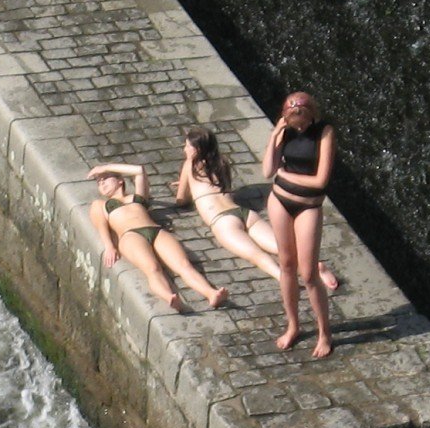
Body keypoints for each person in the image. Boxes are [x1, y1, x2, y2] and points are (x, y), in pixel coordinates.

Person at [177, 127, 342, 292]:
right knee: (282, 248)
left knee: (256, 255)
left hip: (222, 220)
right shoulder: (222, 163)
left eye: (187, 146)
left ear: (196, 150)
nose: (184, 149)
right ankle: (316, 267)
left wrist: (187, 187)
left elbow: (181, 199)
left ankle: (282, 277)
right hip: (244, 213)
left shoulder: (189, 165)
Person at [88, 162, 228, 311]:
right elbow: (101, 226)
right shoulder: (100, 205)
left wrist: (105, 168)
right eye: (99, 182)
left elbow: (139, 170)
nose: (101, 183)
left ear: (120, 180)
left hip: (156, 231)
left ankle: (211, 293)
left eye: (106, 178)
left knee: (184, 265)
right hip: (130, 235)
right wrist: (109, 246)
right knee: (152, 268)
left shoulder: (138, 197)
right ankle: (170, 297)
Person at [264, 92, 337, 358]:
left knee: (308, 274)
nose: (300, 127)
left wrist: (285, 174)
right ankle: (293, 325)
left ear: (311, 115)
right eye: (295, 122)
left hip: (308, 206)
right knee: (286, 265)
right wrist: (275, 137)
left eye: (303, 121)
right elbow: (267, 170)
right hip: (280, 201)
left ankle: (324, 332)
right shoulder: (284, 131)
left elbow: (320, 181)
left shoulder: (324, 132)